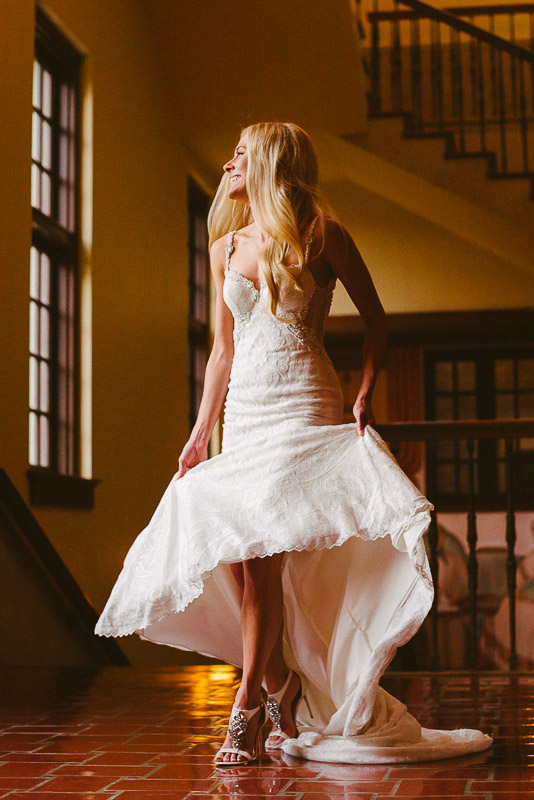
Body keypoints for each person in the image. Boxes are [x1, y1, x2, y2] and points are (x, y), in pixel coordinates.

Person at [95, 122, 492, 766]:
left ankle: (247, 704)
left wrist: (366, 391)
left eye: (241, 154)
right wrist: (200, 436)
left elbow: (376, 319)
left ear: (272, 163)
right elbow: (221, 352)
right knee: (247, 557)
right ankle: (278, 683)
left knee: (266, 556)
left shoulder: (322, 234)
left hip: (306, 398)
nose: (228, 163)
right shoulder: (223, 244)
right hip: (246, 413)